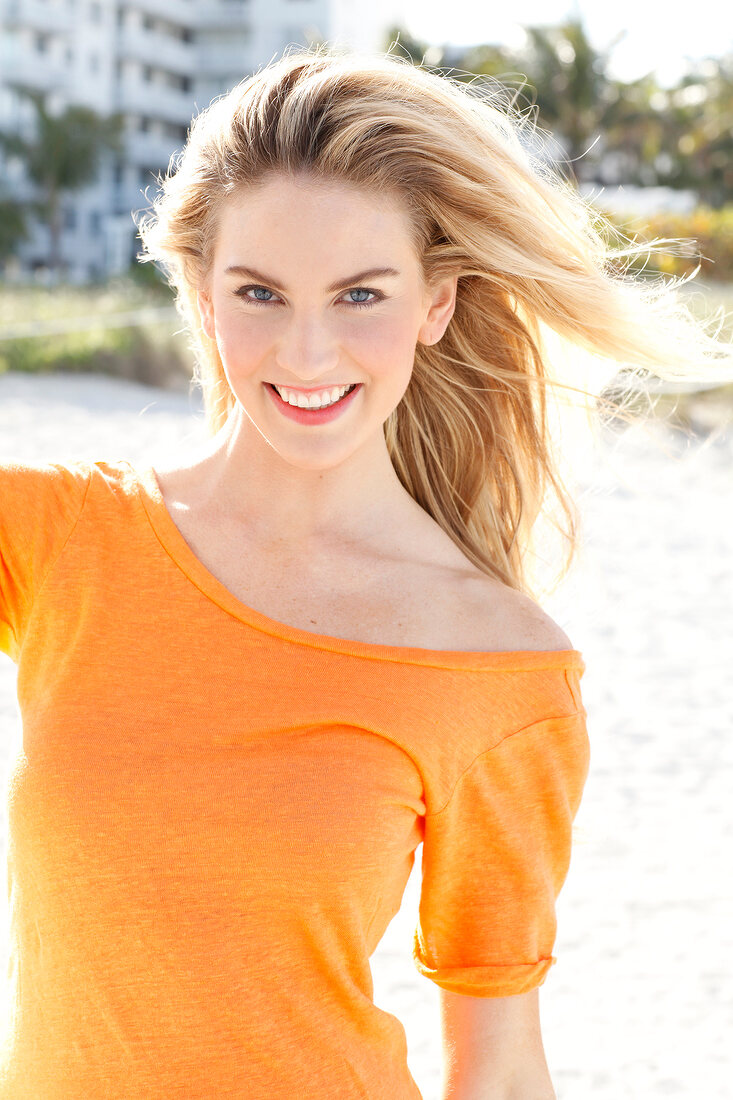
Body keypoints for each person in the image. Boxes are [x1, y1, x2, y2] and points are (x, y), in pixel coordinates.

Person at [1, 46, 731, 1100]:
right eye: (259, 291)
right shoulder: (60, 534)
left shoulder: (494, 660)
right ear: (201, 293)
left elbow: (501, 1066)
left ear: (434, 305)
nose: (305, 352)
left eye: (358, 295)